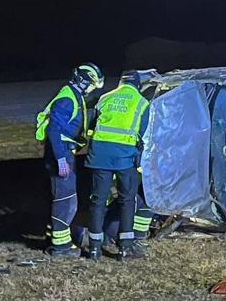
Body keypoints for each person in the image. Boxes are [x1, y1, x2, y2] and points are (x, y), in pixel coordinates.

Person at [36, 63, 104, 257]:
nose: (92, 89)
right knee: (65, 200)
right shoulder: (67, 99)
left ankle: (56, 238)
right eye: (91, 85)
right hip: (61, 153)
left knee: (64, 198)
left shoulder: (73, 96)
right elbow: (54, 129)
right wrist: (60, 159)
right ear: (82, 81)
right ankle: (61, 246)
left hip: (65, 152)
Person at [85, 70, 150, 261]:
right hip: (125, 158)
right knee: (127, 201)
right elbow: (143, 134)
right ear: (137, 85)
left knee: (98, 201)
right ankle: (124, 249)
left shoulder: (105, 98)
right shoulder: (141, 102)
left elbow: (91, 126)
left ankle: (95, 248)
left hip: (100, 156)